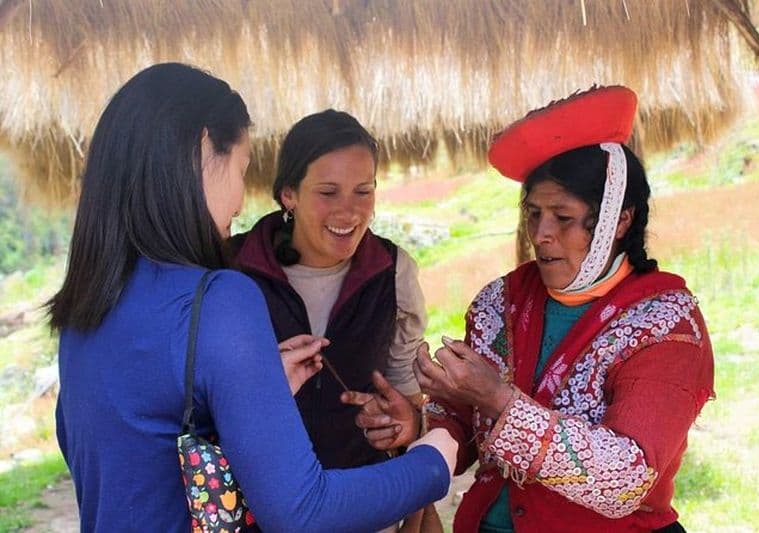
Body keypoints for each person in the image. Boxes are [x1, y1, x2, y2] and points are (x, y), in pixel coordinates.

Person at [48, 62, 457, 533]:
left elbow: (137, 451)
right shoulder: (220, 294)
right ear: (204, 149)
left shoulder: (83, 308)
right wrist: (434, 462)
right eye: (241, 168)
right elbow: (303, 512)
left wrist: (252, 396)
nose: (241, 201)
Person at [354, 86, 715, 532]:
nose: (541, 234)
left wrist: (499, 399)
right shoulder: (500, 301)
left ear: (619, 220)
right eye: (533, 214)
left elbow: (626, 477)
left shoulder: (664, 323)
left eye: (562, 217)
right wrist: (420, 424)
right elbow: (466, 422)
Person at [231, 109, 438, 532]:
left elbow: (407, 389)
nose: (349, 212)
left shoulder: (392, 271)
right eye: (328, 192)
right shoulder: (231, 271)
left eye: (363, 191)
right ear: (289, 193)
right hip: (254, 511)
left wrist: (407, 424)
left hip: (365, 505)